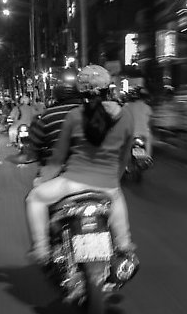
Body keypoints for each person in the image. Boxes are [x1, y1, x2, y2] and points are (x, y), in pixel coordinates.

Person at [24, 65, 138, 267]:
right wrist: (114, 180)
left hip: (72, 183)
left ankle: (42, 249)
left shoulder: (75, 115)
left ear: (80, 91)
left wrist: (41, 180)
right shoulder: (127, 116)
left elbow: (57, 160)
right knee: (118, 203)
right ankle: (123, 245)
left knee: (35, 198)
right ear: (108, 89)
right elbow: (124, 157)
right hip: (109, 186)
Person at [28, 84, 83, 164]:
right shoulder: (89, 110)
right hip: (88, 163)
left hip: (57, 164)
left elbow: (36, 143)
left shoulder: (48, 114)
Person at [124, 86, 153, 157]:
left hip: (130, 133)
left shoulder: (127, 106)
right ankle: (148, 157)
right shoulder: (147, 107)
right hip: (144, 133)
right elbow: (150, 121)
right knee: (149, 139)